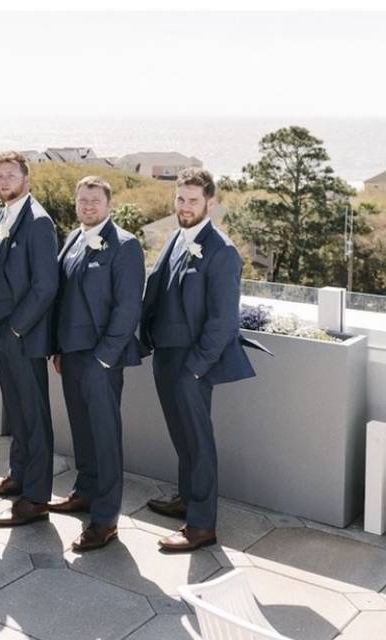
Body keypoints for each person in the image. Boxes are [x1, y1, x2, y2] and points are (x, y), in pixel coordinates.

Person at [141, 168, 261, 552]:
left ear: (209, 202)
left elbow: (224, 321)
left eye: (193, 200)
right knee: (181, 436)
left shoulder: (222, 251)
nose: (185, 206)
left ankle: (202, 525)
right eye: (180, 199)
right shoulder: (176, 238)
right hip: (166, 356)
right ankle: (187, 499)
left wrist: (196, 367)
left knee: (198, 441)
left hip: (193, 364)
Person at [50, 176, 145, 551]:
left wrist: (105, 358)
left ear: (109, 204)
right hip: (70, 356)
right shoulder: (73, 239)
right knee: (82, 430)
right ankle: (84, 492)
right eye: (83, 200)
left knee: (105, 438)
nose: (88, 206)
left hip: (102, 359)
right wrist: (59, 349)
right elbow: (63, 299)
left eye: (95, 201)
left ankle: (105, 520)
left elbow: (127, 308)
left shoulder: (125, 245)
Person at [0, 151, 59, 528]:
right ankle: (19, 476)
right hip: (2, 333)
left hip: (22, 337)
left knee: (34, 415)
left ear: (26, 179)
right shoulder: (5, 215)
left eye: (11, 175)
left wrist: (14, 329)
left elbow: (45, 286)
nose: (4, 181)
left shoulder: (39, 222)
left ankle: (37, 497)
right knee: (16, 411)